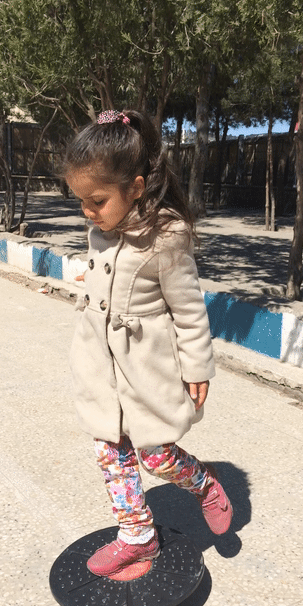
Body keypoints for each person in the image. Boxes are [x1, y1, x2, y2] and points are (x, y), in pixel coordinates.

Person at [62, 109, 232, 578]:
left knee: (156, 455)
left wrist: (198, 366)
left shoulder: (166, 237)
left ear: (135, 187)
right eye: (82, 202)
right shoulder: (100, 230)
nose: (89, 212)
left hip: (145, 366)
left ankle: (204, 483)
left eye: (97, 200)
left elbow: (189, 310)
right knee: (110, 451)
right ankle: (137, 535)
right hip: (100, 364)